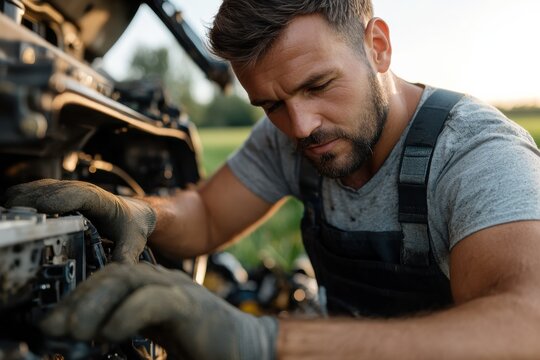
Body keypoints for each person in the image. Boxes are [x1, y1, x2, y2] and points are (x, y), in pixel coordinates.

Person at [6, 0, 540, 358]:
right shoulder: (298, 132)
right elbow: (209, 215)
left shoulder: (475, 155)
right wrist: (139, 212)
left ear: (377, 44)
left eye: (318, 85)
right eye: (272, 105)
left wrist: (262, 341)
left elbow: (526, 324)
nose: (301, 127)